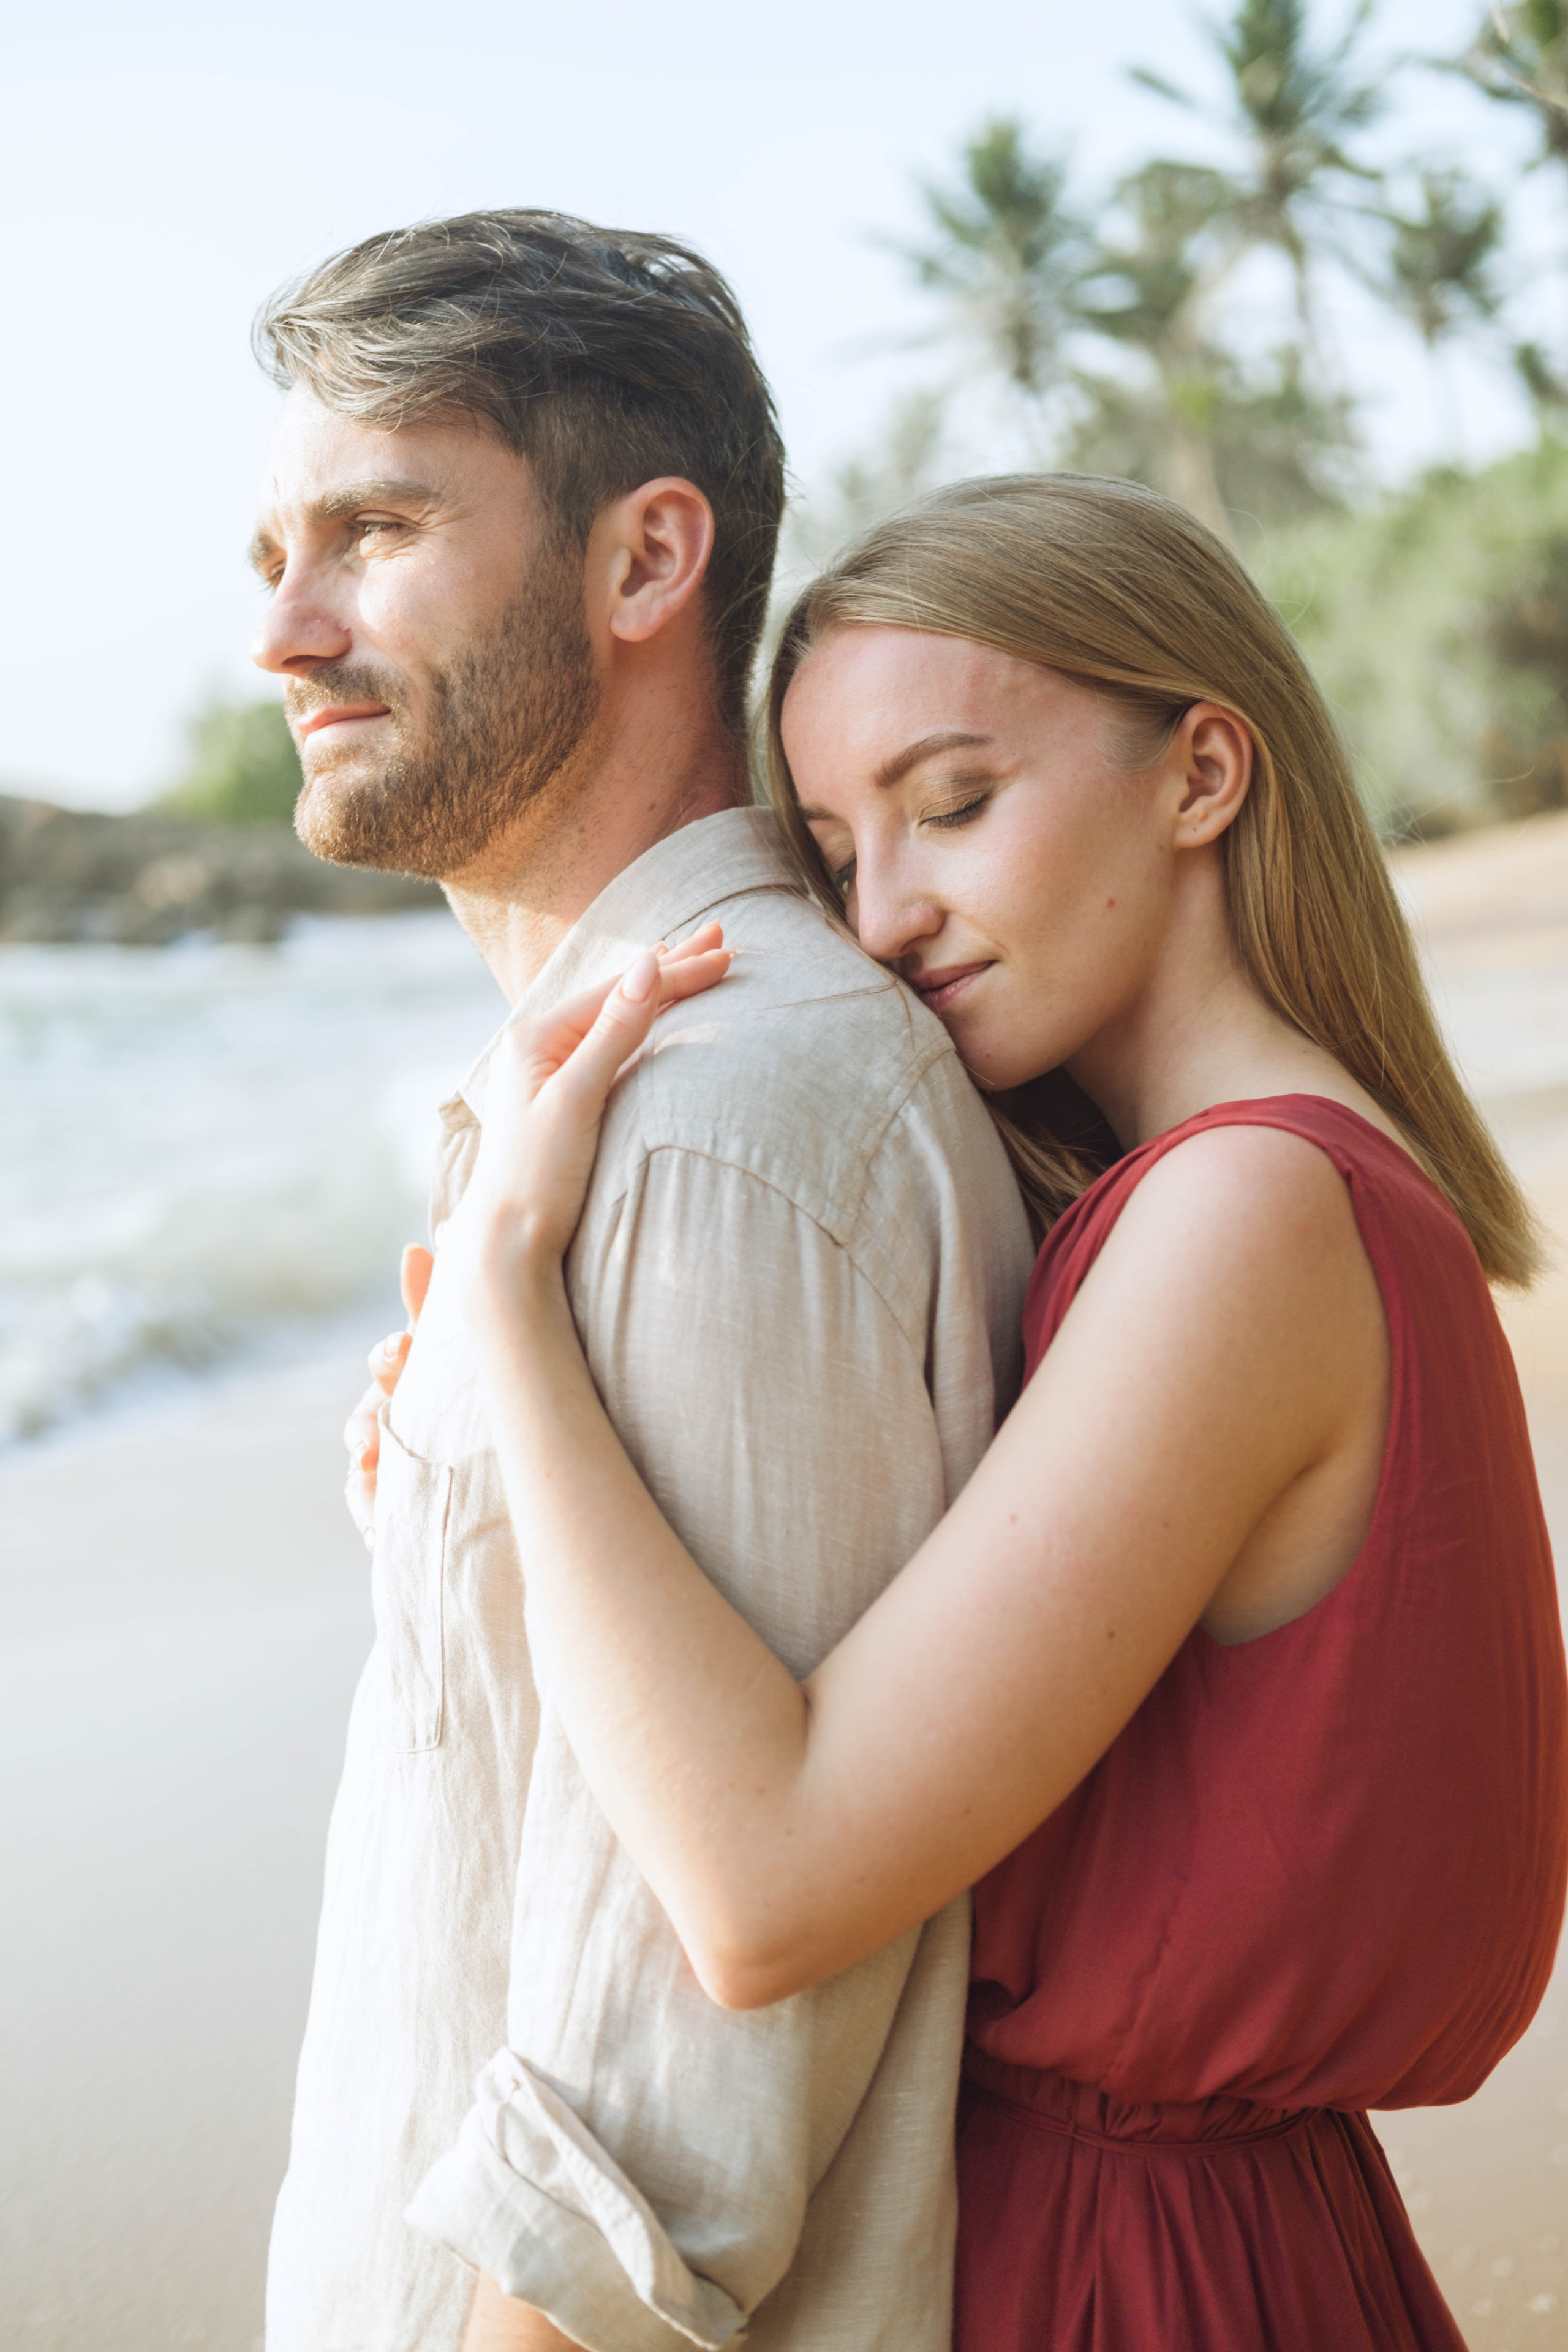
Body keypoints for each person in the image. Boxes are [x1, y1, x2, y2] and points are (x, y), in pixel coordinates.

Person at [371, 473, 1568, 2351]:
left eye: (954, 805)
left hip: (1129, 2283)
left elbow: (764, 1885)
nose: (887, 913)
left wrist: (517, 1294)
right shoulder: (1208, 1205)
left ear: (1199, 775)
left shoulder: (1247, 1217)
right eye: (838, 854)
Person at [254, 213, 1033, 2352]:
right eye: (270, 559)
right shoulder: (593, 1103)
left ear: (642, 562)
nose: (287, 632)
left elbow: (656, 2153)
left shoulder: (714, 1121)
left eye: (374, 530)